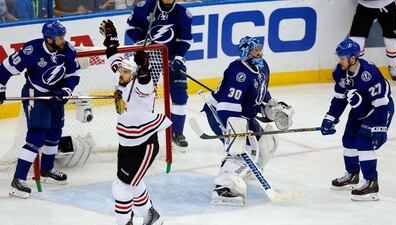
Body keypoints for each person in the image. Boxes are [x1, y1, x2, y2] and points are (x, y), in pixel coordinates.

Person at [202, 36, 294, 205]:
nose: (259, 53)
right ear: (245, 52)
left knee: (268, 141)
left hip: (244, 115)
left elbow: (261, 89)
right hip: (221, 113)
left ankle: (248, 169)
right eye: (255, 50)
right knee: (239, 148)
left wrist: (271, 105)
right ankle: (223, 187)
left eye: (259, 49)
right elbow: (226, 107)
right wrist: (235, 133)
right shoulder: (238, 73)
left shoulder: (262, 66)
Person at [99, 19, 171, 225]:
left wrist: (145, 68)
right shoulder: (120, 77)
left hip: (144, 144)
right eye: (121, 70)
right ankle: (152, 216)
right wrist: (111, 40)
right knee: (134, 183)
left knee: (121, 186)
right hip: (126, 141)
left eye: (125, 71)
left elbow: (146, 83)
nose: (120, 73)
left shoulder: (142, 89)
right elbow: (114, 58)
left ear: (135, 74)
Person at [0, 21, 81, 198]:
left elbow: (74, 74)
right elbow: (6, 68)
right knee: (37, 135)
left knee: (54, 133)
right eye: (59, 37)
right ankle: (18, 179)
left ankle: (47, 169)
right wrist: (0, 87)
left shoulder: (67, 50)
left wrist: (66, 90)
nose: (63, 40)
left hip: (56, 96)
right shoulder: (32, 50)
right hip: (35, 94)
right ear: (49, 39)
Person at [320, 38, 395, 201]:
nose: (339, 61)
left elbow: (381, 102)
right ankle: (352, 175)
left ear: (353, 58)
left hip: (378, 110)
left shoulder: (370, 73)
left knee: (363, 141)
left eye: (342, 58)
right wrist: (330, 117)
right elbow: (340, 98)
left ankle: (371, 183)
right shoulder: (340, 72)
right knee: (348, 140)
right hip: (359, 110)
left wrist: (380, 127)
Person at [125, 0, 193, 148]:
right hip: (149, 57)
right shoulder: (143, 8)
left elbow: (185, 40)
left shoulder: (183, 14)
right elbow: (131, 28)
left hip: (172, 58)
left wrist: (179, 58)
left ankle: (177, 133)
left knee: (180, 96)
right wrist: (142, 40)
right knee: (145, 95)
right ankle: (145, 131)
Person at [349, 0, 396, 81]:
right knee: (355, 41)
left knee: (392, 42)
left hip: (388, 5)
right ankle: (358, 69)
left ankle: (392, 66)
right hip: (365, 6)